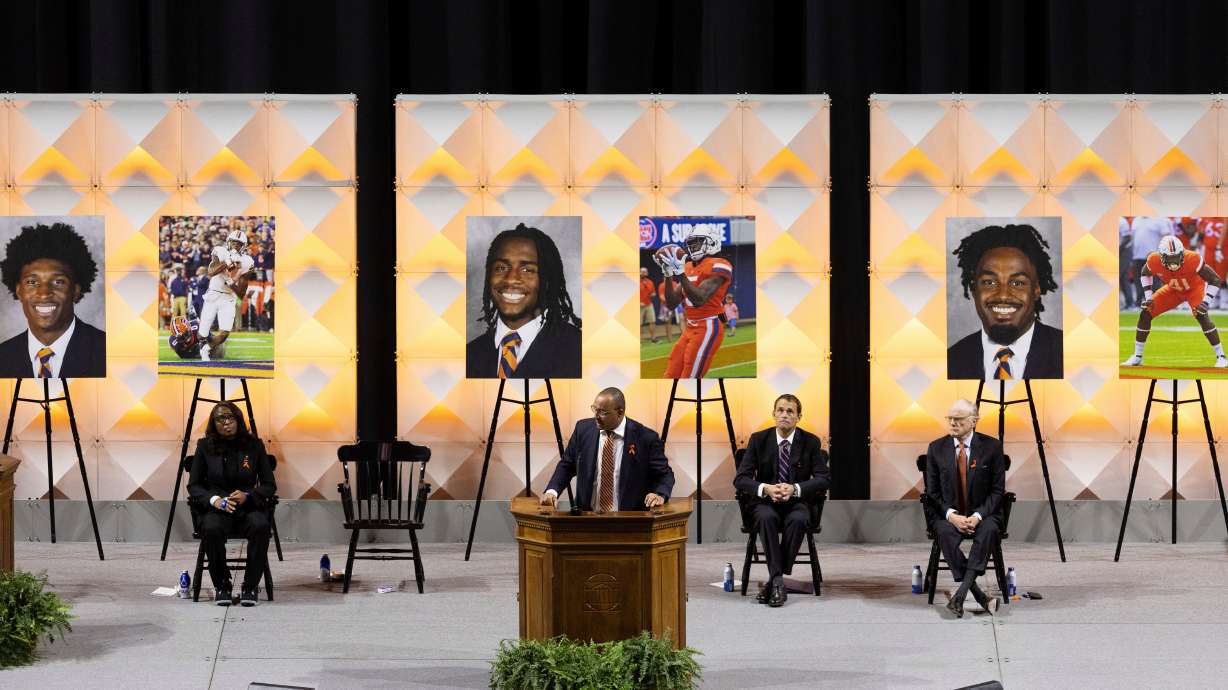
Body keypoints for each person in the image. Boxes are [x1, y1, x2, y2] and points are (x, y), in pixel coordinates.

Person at [732, 394, 829, 607]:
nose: (785, 415)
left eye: (790, 411)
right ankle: (778, 580)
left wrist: (795, 489)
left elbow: (824, 479)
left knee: (798, 520)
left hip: (796, 502)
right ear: (773, 414)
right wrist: (765, 488)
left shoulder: (810, 442)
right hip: (766, 503)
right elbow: (740, 479)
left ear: (798, 417)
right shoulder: (759, 440)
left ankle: (774, 581)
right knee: (766, 518)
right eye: (781, 410)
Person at [187, 401, 276, 607]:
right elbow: (194, 485)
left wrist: (249, 496)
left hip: (248, 506)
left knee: (260, 525)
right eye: (220, 419)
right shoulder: (204, 446)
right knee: (211, 527)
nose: (226, 423)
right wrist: (214, 500)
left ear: (238, 419)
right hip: (218, 508)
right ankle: (222, 585)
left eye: (230, 418)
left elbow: (269, 485)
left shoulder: (255, 445)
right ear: (213, 423)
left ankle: (250, 586)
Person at [947, 223, 1063, 379]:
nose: (1002, 295)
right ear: (974, 289)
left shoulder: (1068, 353)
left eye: (1017, 283)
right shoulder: (951, 360)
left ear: (1036, 289)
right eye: (989, 282)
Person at [466, 223, 582, 378]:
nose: (511, 279)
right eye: (501, 268)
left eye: (527, 270)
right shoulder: (470, 354)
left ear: (548, 279)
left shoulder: (579, 350)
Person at [924, 399, 1006, 618]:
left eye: (958, 419)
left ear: (974, 421)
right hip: (949, 513)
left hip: (983, 513)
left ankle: (959, 596)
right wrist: (952, 517)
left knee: (988, 530)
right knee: (944, 533)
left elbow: (998, 492)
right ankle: (978, 595)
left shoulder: (992, 447)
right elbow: (932, 492)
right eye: (950, 418)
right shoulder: (936, 448)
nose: (953, 422)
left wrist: (978, 516)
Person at [540, 387, 674, 512]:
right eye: (594, 409)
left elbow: (665, 474)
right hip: (587, 518)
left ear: (620, 412)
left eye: (602, 412)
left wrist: (659, 494)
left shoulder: (645, 438)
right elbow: (567, 465)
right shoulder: (583, 429)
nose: (596, 416)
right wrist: (552, 491)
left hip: (630, 521)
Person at [0, 222, 106, 378]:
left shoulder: (107, 351)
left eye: (58, 282)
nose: (44, 293)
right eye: (32, 282)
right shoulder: (3, 356)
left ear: (75, 291)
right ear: (19, 291)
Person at [1122, 234, 1228, 368]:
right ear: (1161, 256)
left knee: (1202, 316)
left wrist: (1206, 302)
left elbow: (1215, 280)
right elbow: (1145, 273)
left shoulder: (1193, 258)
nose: (1173, 261)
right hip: (1173, 290)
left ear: (1182, 254)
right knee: (1145, 313)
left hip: (1194, 289)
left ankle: (1222, 357)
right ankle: (1137, 356)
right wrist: (1148, 297)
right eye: (1170, 258)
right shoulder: (1154, 259)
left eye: (1176, 257)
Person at [655, 224, 732, 378]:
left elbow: (700, 299)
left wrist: (681, 274)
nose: (692, 247)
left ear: (711, 242)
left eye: (697, 242)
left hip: (708, 325)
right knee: (671, 374)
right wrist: (668, 274)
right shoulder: (688, 266)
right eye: (690, 244)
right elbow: (671, 303)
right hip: (690, 327)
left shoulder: (719, 264)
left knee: (689, 377)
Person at [199, 229, 256, 361]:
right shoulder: (220, 251)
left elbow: (241, 294)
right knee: (203, 332)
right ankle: (200, 344)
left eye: (239, 244)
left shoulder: (247, 261)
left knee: (225, 332)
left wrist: (231, 282)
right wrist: (227, 262)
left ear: (244, 246)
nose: (235, 246)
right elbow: (211, 272)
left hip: (228, 298)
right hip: (213, 293)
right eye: (233, 242)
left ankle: (206, 349)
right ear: (228, 242)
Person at [639, 267, 658, 343]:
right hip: (639, 305)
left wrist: (653, 294)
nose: (643, 273)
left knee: (652, 321)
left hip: (649, 304)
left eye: (645, 272)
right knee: (639, 323)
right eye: (642, 271)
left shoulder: (650, 282)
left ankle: (653, 339)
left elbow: (653, 293)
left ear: (647, 273)